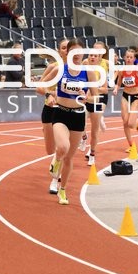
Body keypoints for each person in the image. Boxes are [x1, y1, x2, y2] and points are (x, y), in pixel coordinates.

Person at [40, 39, 96, 205]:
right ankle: (56, 160)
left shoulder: (88, 72)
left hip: (78, 116)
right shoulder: (60, 69)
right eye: (73, 52)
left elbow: (96, 97)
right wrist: (49, 95)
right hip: (61, 113)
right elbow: (42, 85)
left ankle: (62, 190)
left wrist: (87, 98)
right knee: (63, 147)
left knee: (70, 157)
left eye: (79, 52)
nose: (76, 55)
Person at [36, 38, 68, 195]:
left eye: (69, 47)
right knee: (50, 150)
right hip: (50, 109)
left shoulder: (79, 69)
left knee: (62, 147)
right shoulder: (54, 67)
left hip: (66, 111)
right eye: (64, 48)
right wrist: (50, 94)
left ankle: (55, 180)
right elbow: (39, 87)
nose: (67, 50)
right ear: (59, 51)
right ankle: (56, 158)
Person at [113, 47, 138, 153]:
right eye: (127, 57)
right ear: (124, 58)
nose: (128, 59)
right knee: (125, 122)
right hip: (125, 96)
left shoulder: (137, 70)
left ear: (134, 59)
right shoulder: (122, 70)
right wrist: (116, 89)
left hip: (136, 97)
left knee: (131, 124)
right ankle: (131, 145)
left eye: (131, 57)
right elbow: (119, 83)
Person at [82, 40, 110, 167]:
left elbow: (105, 89)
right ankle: (83, 137)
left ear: (100, 57)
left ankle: (92, 154)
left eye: (96, 55)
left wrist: (93, 88)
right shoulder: (84, 64)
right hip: (86, 98)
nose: (92, 57)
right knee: (80, 124)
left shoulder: (104, 66)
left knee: (95, 130)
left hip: (98, 99)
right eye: (91, 54)